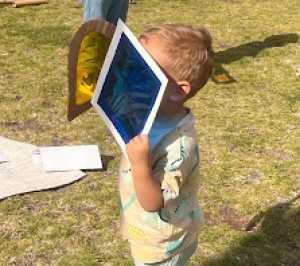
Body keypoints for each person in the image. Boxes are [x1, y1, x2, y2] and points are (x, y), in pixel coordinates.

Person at [119, 24, 213, 265]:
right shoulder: (149, 112)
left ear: (177, 91)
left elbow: (153, 203)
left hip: (164, 246)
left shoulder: (180, 146)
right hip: (144, 231)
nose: (129, 75)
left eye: (143, 71)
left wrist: (140, 163)